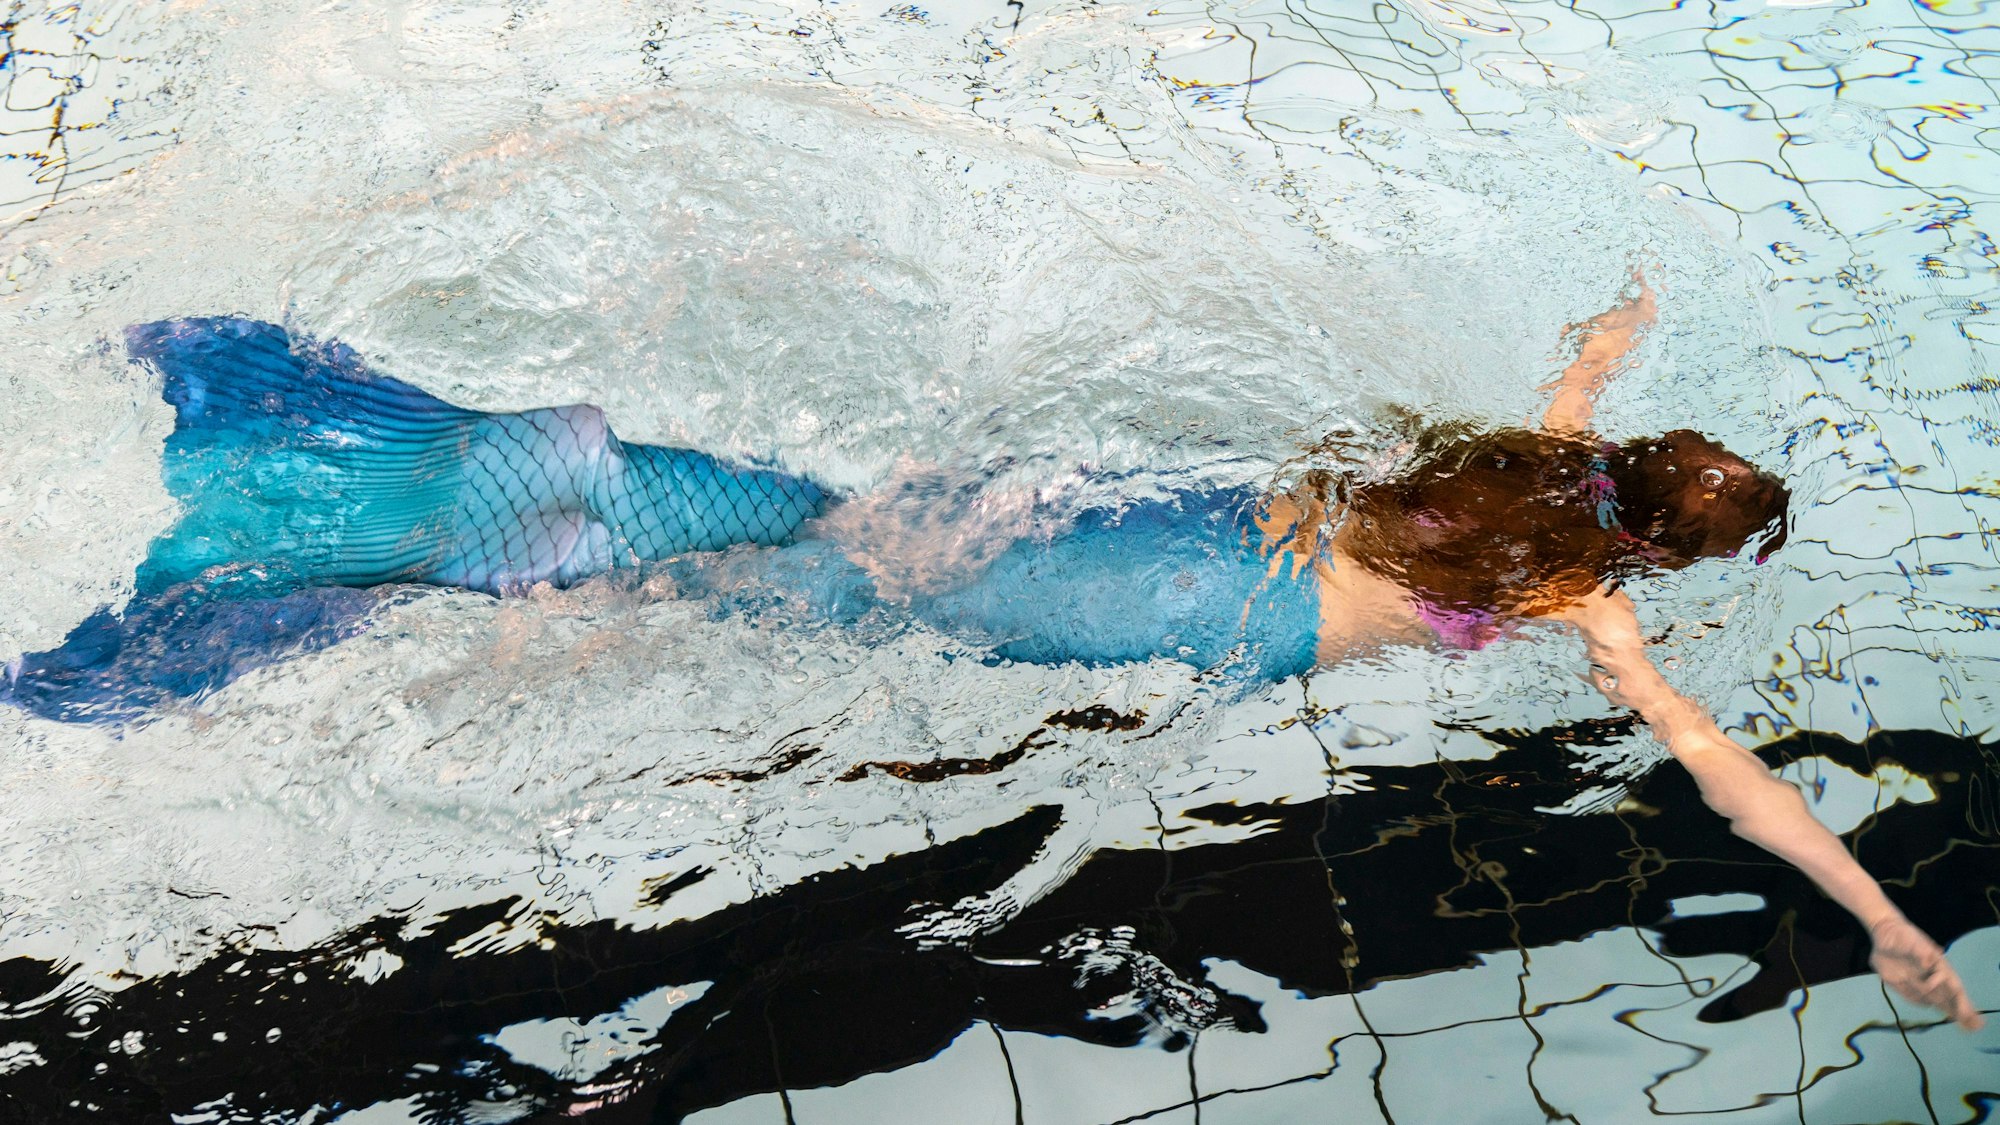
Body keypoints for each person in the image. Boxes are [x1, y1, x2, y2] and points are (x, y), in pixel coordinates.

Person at [1, 279, 1979, 1028]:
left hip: (1129, 503)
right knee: (782, 601)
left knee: (802, 514)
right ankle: (349, 556)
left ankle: (344, 442)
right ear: (1662, 551)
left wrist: (1619, 343)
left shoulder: (1528, 473)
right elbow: (1719, 773)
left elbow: (1576, 390)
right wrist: (1878, 911)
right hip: (1164, 612)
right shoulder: (1578, 595)